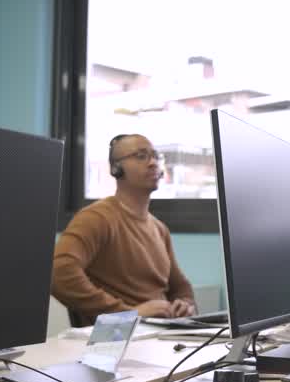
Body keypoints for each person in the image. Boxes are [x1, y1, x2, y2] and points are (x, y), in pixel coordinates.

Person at [52, 134, 197, 325]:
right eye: (141, 156)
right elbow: (58, 273)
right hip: (120, 340)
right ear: (116, 169)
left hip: (159, 335)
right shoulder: (96, 218)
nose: (153, 162)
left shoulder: (159, 229)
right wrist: (128, 314)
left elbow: (181, 288)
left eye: (155, 156)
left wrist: (185, 305)